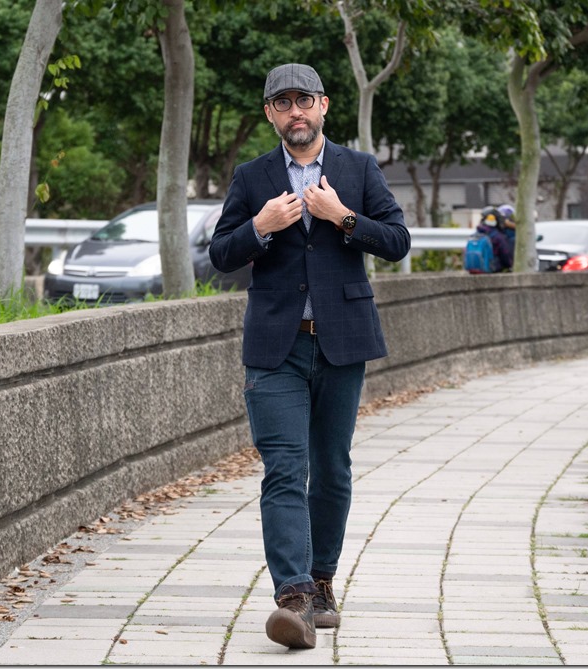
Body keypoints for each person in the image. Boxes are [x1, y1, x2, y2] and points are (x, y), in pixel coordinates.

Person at [209, 63, 411, 650]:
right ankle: (293, 597)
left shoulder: (358, 168)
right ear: (270, 114)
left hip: (342, 342)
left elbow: (397, 242)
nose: (295, 111)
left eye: (304, 100)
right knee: (283, 468)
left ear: (323, 106)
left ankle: (322, 581)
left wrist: (341, 217)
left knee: (331, 469)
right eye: (283, 102)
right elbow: (221, 254)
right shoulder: (252, 177)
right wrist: (260, 226)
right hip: (277, 346)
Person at [477, 205, 514, 272]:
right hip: (492, 268)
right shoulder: (497, 236)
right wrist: (510, 265)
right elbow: (505, 255)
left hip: (475, 267)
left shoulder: (477, 232)